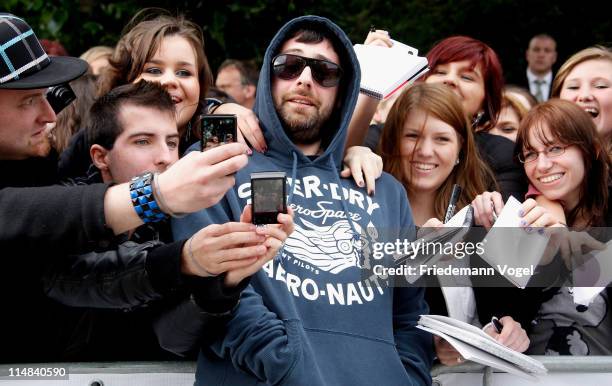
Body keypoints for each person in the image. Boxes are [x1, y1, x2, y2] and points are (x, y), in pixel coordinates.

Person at [170, 16, 434, 385]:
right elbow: (213, 292)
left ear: (343, 90)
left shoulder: (384, 190)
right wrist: (289, 366)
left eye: (325, 72)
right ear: (268, 75)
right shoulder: (218, 163)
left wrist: (407, 379)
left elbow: (408, 318)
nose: (305, 79)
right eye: (290, 66)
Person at [0, 13, 252, 363]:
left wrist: (222, 280)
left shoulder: (209, 148)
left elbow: (176, 334)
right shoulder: (75, 167)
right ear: (100, 156)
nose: (51, 116)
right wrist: (155, 199)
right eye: (29, 101)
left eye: (184, 72)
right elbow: (59, 261)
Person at [43, 80, 290, 360]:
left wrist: (230, 278)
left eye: (172, 142)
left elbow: (173, 339)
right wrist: (184, 259)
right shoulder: (65, 209)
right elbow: (78, 279)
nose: (165, 158)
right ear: (101, 157)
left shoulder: (180, 221)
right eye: (143, 141)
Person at [380, 82, 529, 365]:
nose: (425, 151)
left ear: (461, 147)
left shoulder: (482, 218)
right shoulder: (373, 214)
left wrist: (509, 327)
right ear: (393, 141)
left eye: (442, 139)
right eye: (413, 136)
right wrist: (429, 345)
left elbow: (511, 308)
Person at [514, 99, 612, 355]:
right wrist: (544, 260)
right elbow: (505, 313)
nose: (542, 165)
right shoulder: (520, 217)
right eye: (531, 154)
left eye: (555, 148)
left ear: (591, 150)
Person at [521, 34, 557, 102]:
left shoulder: (561, 82)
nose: (541, 55)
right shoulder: (511, 83)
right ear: (527, 54)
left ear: (554, 57)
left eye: (547, 50)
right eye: (536, 50)